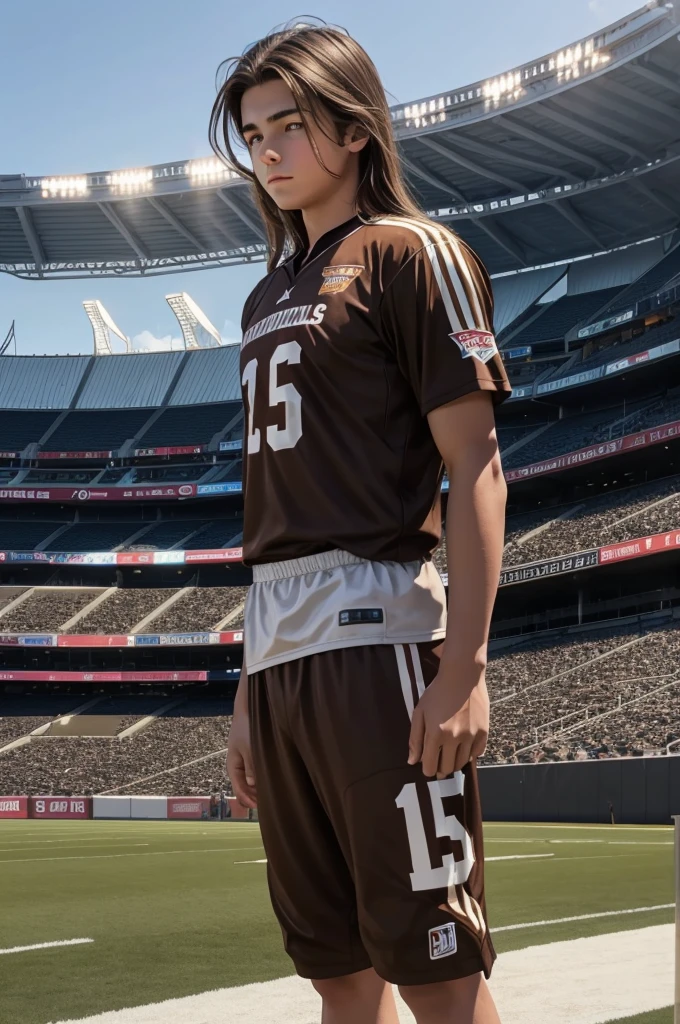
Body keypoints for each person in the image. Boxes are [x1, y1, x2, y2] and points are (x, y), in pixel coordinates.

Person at [211, 20, 510, 1024]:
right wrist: (251, 686)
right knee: (335, 970)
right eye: (253, 135)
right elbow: (272, 512)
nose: (268, 152)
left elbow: (473, 460)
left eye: (288, 126)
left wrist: (460, 666)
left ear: (352, 129)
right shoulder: (262, 296)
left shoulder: (410, 254)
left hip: (377, 639)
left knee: (435, 971)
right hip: (279, 650)